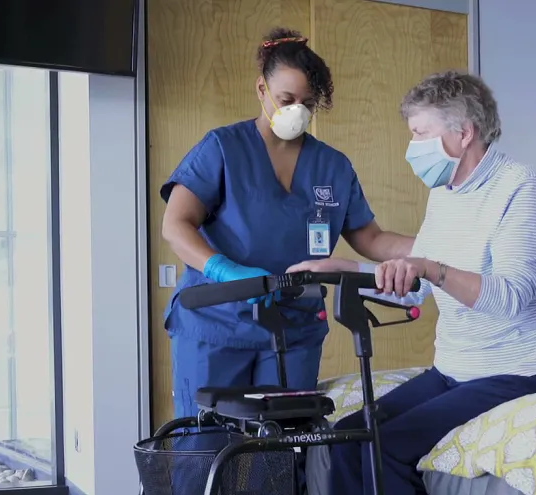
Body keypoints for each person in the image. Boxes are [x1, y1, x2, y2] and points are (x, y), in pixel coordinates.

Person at [289, 70, 536, 495]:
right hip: (457, 368)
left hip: (529, 368)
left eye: (420, 134)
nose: (413, 148)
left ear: (464, 133)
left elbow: (510, 298)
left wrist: (435, 268)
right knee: (350, 437)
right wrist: (344, 271)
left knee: (387, 446)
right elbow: (414, 283)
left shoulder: (523, 191)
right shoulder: (445, 194)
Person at [160, 27, 415, 421]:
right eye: (286, 99)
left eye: (307, 102)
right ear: (261, 89)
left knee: (282, 451)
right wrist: (224, 271)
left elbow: (371, 238)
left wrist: (439, 244)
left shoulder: (332, 165)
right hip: (216, 322)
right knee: (208, 448)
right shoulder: (222, 148)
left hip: (294, 329)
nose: (297, 110)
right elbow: (176, 224)